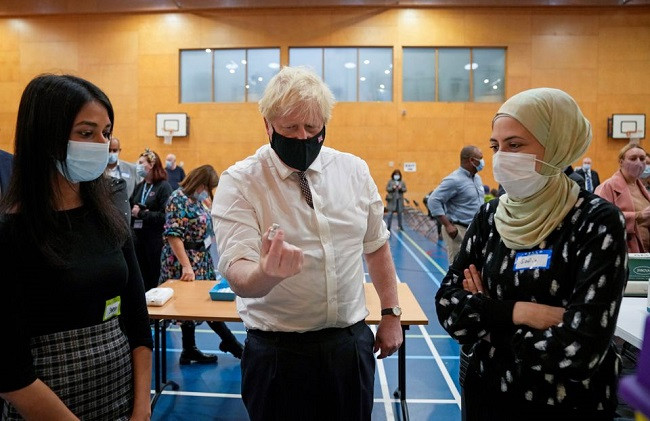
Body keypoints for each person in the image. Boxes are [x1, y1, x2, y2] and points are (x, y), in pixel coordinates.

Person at [211, 66, 402, 421]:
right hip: (278, 354)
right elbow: (237, 271)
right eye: (290, 128)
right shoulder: (239, 182)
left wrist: (391, 314)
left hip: (349, 345)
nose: (302, 137)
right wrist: (266, 274)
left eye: (313, 128)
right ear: (267, 125)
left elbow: (376, 246)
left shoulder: (354, 170)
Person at [435, 88, 627, 421]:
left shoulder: (597, 221)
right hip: (488, 395)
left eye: (515, 145)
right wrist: (521, 312)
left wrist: (488, 314)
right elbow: (450, 309)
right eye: (496, 146)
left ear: (557, 143)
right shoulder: (490, 217)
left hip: (568, 404)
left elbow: (582, 349)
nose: (501, 157)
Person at [0, 74, 152, 420]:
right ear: (46, 137)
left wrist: (141, 410)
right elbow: (11, 373)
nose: (102, 144)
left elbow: (137, 324)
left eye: (106, 132)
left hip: (122, 401)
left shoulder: (110, 218)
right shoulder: (11, 236)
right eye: (86, 133)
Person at [160, 165, 243, 363]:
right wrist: (187, 266)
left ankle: (189, 349)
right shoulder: (177, 198)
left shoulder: (197, 200)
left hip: (201, 257)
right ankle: (232, 344)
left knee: (199, 305)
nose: (208, 191)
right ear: (199, 182)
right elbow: (173, 235)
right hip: (185, 259)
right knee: (196, 305)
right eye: (207, 187)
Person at [427, 145, 485, 264]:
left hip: (475, 229)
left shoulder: (477, 178)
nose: (482, 162)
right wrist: (448, 225)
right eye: (480, 158)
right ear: (472, 160)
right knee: (458, 268)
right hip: (458, 229)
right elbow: (433, 200)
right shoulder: (454, 180)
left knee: (473, 266)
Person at [595, 143, 650, 253]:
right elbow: (599, 218)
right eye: (633, 158)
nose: (638, 162)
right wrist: (638, 216)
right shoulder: (607, 187)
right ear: (621, 162)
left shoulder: (642, 188)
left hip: (644, 253)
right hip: (621, 251)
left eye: (642, 159)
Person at [130, 148, 172, 291]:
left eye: (141, 162)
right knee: (141, 276)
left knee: (154, 275)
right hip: (138, 238)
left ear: (152, 164)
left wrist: (142, 214)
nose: (138, 165)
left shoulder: (163, 187)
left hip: (155, 240)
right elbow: (131, 207)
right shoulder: (140, 186)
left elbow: (165, 216)